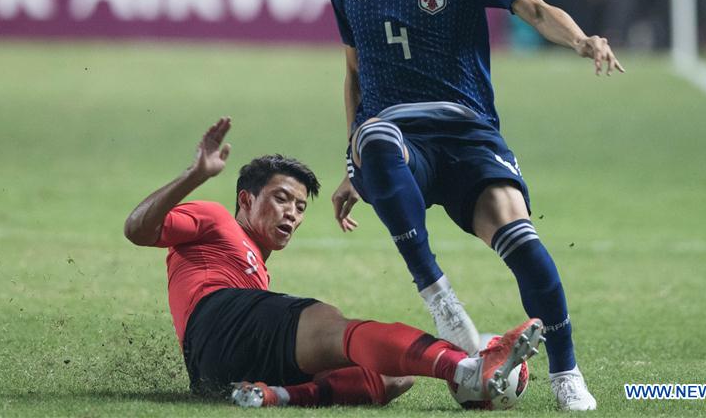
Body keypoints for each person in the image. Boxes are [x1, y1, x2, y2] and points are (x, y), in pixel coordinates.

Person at [327, 0, 624, 411]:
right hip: (397, 141)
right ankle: (438, 295)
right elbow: (356, 75)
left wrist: (582, 40)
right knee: (377, 134)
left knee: (524, 243)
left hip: (466, 136)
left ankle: (567, 376)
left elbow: (534, 9)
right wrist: (353, 161)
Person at [124, 116, 544, 408]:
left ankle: (272, 396)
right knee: (327, 321)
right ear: (245, 200)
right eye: (281, 199)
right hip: (215, 319)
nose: (292, 214)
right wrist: (195, 175)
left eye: (301, 207)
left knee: (395, 377)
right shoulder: (215, 219)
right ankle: (466, 367)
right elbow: (137, 229)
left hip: (216, 371)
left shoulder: (255, 271)